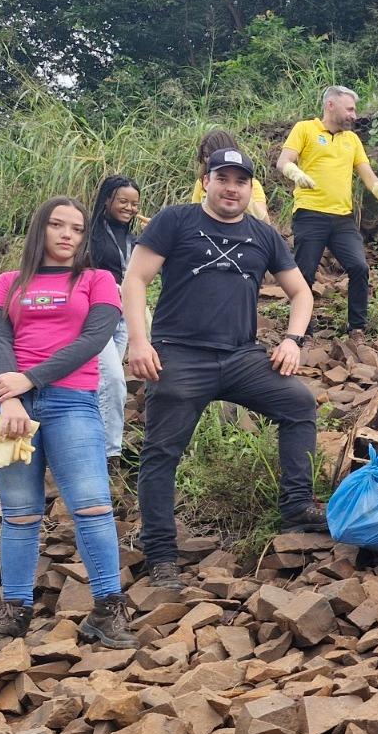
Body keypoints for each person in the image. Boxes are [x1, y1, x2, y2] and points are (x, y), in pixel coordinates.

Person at [123, 147, 325, 593]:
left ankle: (297, 504)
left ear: (250, 187)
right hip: (179, 355)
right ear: (206, 181)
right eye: (223, 178)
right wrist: (139, 341)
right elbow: (135, 279)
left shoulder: (263, 234)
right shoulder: (175, 221)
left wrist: (292, 341)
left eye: (240, 180)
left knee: (298, 402)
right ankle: (160, 553)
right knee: (162, 454)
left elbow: (301, 294)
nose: (231, 188)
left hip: (241, 357)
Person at [0, 196, 136, 648]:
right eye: (57, 225)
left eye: (77, 228)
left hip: (70, 402)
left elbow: (93, 340)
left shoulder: (98, 280)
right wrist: (10, 399)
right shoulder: (7, 282)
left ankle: (107, 611)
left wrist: (29, 379)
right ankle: (15, 611)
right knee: (20, 513)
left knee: (92, 506)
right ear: (40, 229)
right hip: (6, 406)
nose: (67, 235)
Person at [277, 86, 378, 340]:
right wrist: (295, 172)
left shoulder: (351, 140)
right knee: (304, 273)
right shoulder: (305, 129)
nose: (354, 115)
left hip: (342, 218)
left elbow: (366, 173)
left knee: (359, 267)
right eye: (350, 109)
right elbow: (284, 160)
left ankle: (357, 328)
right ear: (331, 105)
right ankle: (301, 329)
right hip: (310, 214)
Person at [86, 175, 139, 462]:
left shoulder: (132, 238)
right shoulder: (90, 234)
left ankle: (92, 441)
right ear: (107, 200)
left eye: (134, 204)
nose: (129, 208)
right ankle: (110, 455)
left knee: (102, 382)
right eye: (123, 201)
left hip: (123, 316)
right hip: (95, 315)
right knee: (115, 380)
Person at [193, 129, 271, 222]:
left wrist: (242, 195)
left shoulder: (251, 185)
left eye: (240, 182)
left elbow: (265, 221)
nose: (210, 159)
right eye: (206, 155)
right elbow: (194, 215)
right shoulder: (202, 182)